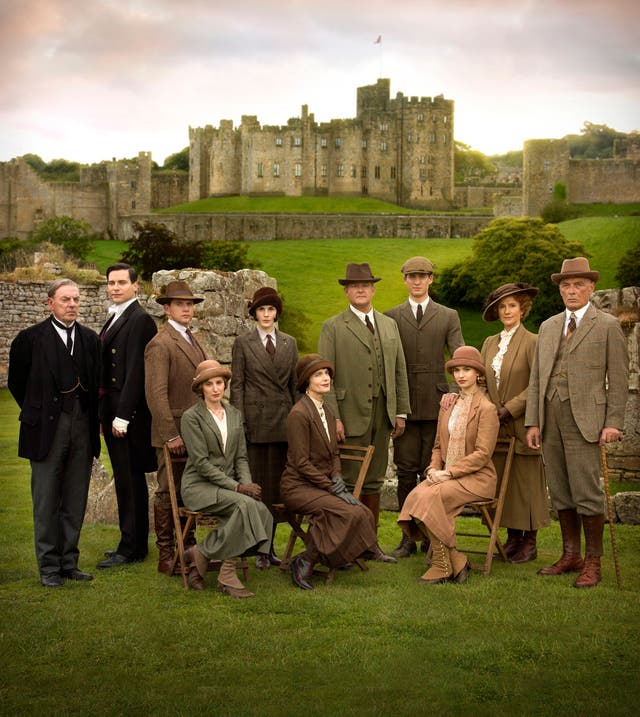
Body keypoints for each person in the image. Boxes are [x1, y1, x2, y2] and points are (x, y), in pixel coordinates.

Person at [525, 257, 628, 588]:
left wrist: (613, 422)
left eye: (578, 285)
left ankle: (593, 562)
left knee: (587, 491)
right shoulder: (549, 326)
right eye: (566, 285)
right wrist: (533, 422)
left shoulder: (608, 325)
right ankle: (571, 555)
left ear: (591, 288)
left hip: (588, 418)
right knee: (559, 489)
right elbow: (538, 379)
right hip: (550, 416)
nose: (572, 290)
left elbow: (620, 378)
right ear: (560, 290)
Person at [8, 279, 101, 587]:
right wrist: (40, 413)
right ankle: (48, 568)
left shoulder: (90, 339)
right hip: (46, 429)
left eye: (76, 299)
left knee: (75, 499)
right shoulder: (29, 339)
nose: (72, 304)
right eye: (65, 299)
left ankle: (69, 562)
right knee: (47, 501)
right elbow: (17, 383)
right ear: (50, 303)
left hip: (83, 427)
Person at [281, 354, 395, 590]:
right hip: (298, 487)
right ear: (306, 381)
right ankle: (305, 560)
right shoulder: (299, 414)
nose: (325, 378)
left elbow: (334, 453)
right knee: (348, 513)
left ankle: (340, 555)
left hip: (321, 484)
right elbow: (301, 463)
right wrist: (330, 486)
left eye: (327, 374)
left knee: (361, 512)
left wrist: (337, 477)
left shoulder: (328, 411)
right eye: (318, 375)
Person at [318, 262, 410, 540]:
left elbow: (399, 370)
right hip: (348, 413)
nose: (360, 290)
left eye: (365, 285)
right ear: (346, 291)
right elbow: (325, 376)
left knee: (375, 478)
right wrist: (333, 417)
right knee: (348, 478)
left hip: (383, 414)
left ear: (373, 289)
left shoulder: (389, 324)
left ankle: (370, 542)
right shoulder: (333, 326)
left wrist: (401, 411)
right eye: (354, 286)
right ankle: (347, 541)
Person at [398, 346, 499, 584]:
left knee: (432, 497)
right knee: (416, 496)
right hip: (446, 474)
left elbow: (483, 454)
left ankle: (442, 564)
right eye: (456, 370)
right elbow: (437, 447)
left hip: (477, 478)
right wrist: (433, 469)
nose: (461, 375)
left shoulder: (487, 409)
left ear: (478, 374)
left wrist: (449, 473)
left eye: (467, 369)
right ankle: (455, 559)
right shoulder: (448, 405)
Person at [385, 256, 464, 558]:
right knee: (405, 471)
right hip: (404, 405)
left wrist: (455, 392)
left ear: (431, 279)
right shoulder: (391, 316)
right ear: (404, 280)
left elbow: (459, 356)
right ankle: (408, 536)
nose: (417, 281)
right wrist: (394, 406)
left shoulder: (448, 316)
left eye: (423, 276)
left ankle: (432, 534)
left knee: (432, 472)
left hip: (437, 403)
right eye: (411, 276)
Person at [180, 360, 273, 597]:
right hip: (199, 487)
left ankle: (201, 552)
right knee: (245, 505)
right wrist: (239, 487)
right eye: (209, 384)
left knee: (261, 510)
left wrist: (248, 484)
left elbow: (241, 457)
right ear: (201, 388)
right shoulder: (191, 417)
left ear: (225, 385)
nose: (215, 388)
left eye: (219, 382)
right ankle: (228, 574)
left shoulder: (234, 414)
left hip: (228, 488)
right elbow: (201, 464)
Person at [480, 282, 549, 563]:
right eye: (502, 307)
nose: (507, 311)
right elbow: (482, 381)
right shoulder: (489, 343)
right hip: (494, 426)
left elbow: (537, 384)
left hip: (522, 423)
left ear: (523, 309)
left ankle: (529, 543)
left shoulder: (533, 341)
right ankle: (512, 540)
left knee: (526, 483)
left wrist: (509, 409)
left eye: (512, 306)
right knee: (504, 487)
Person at [230, 286, 298, 570]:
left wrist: (298, 423)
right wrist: (239, 421)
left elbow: (295, 387)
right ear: (254, 314)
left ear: (277, 313)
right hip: (256, 425)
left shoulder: (289, 343)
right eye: (261, 310)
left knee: (276, 489)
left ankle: (268, 547)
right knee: (257, 487)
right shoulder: (243, 343)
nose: (266, 315)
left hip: (282, 423)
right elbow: (238, 385)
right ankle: (258, 547)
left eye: (271, 310)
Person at [144, 280, 207, 576]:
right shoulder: (160, 343)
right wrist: (170, 434)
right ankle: (166, 554)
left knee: (188, 491)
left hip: (195, 431)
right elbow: (155, 394)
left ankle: (189, 548)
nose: (187, 308)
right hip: (174, 432)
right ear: (166, 308)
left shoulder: (193, 339)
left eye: (190, 304)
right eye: (180, 304)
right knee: (167, 491)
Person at [97, 263, 158, 568]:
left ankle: (132, 548)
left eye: (122, 282)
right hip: (112, 411)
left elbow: (137, 370)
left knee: (131, 480)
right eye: (111, 283)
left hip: (128, 416)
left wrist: (123, 416)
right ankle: (129, 543)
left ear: (137, 286)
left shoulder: (141, 319)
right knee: (124, 478)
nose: (115, 287)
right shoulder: (116, 316)